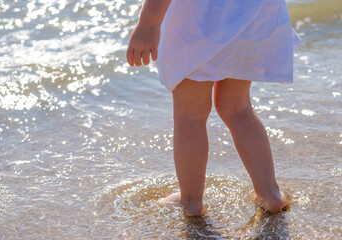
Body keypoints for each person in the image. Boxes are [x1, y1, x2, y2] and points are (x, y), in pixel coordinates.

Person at [126, 0, 301, 216]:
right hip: (247, 19)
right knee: (238, 109)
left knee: (190, 116)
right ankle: (270, 193)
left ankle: (190, 200)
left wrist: (148, 24)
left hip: (197, 24)